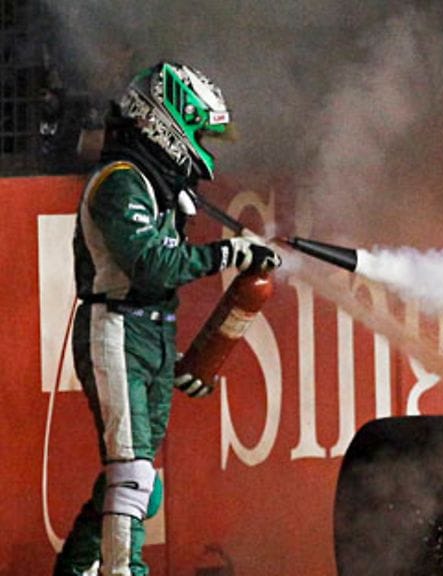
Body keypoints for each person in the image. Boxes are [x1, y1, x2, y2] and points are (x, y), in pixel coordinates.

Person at [53, 61, 281, 576]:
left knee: (139, 485)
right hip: (114, 329)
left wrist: (178, 357)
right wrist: (228, 255)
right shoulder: (120, 182)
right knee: (132, 476)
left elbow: (156, 282)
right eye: (201, 132)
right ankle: (120, 569)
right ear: (167, 123)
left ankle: (75, 569)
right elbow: (152, 266)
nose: (207, 145)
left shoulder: (156, 184)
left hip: (146, 333)